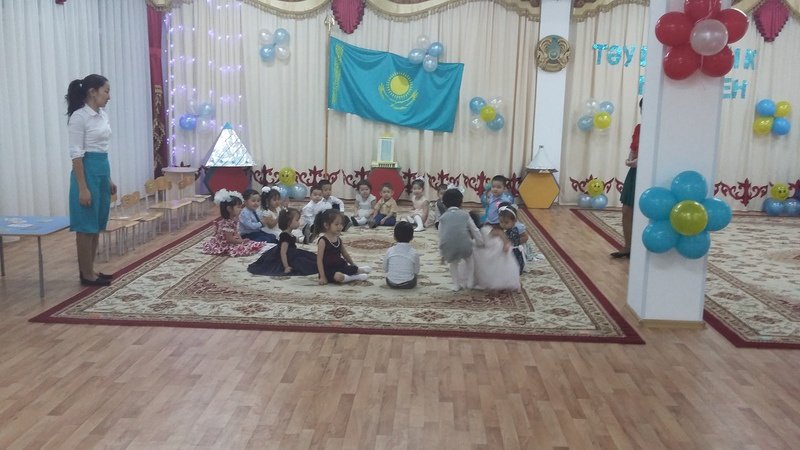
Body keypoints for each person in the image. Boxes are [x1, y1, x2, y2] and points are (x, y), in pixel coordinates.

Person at [66, 74, 116, 286]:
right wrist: (83, 188)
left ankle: (91, 270)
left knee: (96, 224)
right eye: (106, 91)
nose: (109, 96)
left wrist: (109, 179)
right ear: (92, 92)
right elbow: (76, 155)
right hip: (86, 171)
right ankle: (85, 274)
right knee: (86, 226)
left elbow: (102, 148)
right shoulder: (79, 117)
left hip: (102, 168)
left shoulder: (102, 115)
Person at [611, 97, 643, 259]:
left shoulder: (661, 130)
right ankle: (628, 246)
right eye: (642, 109)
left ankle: (642, 248)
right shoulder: (639, 128)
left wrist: (640, 161)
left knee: (644, 212)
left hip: (649, 173)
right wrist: (630, 159)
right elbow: (634, 148)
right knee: (627, 210)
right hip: (635, 172)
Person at [248, 208, 318, 276]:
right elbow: (283, 253)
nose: (299, 223)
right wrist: (286, 266)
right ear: (289, 222)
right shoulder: (285, 236)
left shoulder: (289, 233)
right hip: (286, 256)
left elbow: (292, 240)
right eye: (297, 220)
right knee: (304, 264)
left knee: (310, 258)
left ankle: (304, 239)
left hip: (292, 252)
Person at [438, 188, 484, 291]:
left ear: (444, 204)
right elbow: (474, 230)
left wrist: (442, 253)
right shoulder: (465, 215)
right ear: (461, 203)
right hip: (465, 245)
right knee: (469, 259)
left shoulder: (442, 218)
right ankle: (470, 282)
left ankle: (456, 285)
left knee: (453, 264)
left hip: (449, 246)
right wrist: (480, 242)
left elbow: (441, 235)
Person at [202, 189, 265, 257]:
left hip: (233, 240)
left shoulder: (233, 220)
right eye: (238, 207)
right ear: (229, 209)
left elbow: (236, 232)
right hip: (225, 243)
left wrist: (241, 240)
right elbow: (229, 239)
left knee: (249, 243)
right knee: (243, 249)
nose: (241, 209)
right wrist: (241, 241)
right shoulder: (227, 223)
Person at [315, 210, 371, 284]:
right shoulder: (323, 241)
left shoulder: (338, 239)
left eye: (341, 224)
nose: (340, 227)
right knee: (338, 277)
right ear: (326, 225)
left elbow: (345, 254)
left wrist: (353, 264)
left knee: (353, 269)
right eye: (336, 224)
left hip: (340, 266)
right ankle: (356, 277)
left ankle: (359, 270)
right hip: (328, 270)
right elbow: (319, 260)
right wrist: (322, 276)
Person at [384, 221, 420, 289]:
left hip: (391, 283)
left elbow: (385, 269)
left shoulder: (390, 250)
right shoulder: (414, 253)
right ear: (412, 237)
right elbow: (416, 271)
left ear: (394, 236)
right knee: (415, 277)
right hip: (409, 284)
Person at [498, 206, 525, 274]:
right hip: (508, 250)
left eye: (506, 222)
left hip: (513, 252)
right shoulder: (505, 230)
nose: (503, 225)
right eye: (501, 222)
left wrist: (516, 243)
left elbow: (525, 237)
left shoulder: (514, 231)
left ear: (514, 221)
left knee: (513, 264)